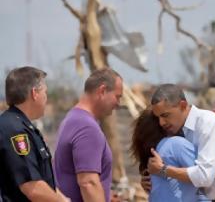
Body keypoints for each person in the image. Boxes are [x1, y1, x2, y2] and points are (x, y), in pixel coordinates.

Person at [54, 68, 123, 202]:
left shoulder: (73, 118)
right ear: (102, 91)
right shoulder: (87, 127)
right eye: (117, 96)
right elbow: (88, 183)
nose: (118, 104)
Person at [0, 66, 69, 201]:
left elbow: (42, 180)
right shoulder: (15, 130)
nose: (46, 98)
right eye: (45, 92)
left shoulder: (24, 126)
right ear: (34, 93)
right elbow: (33, 188)